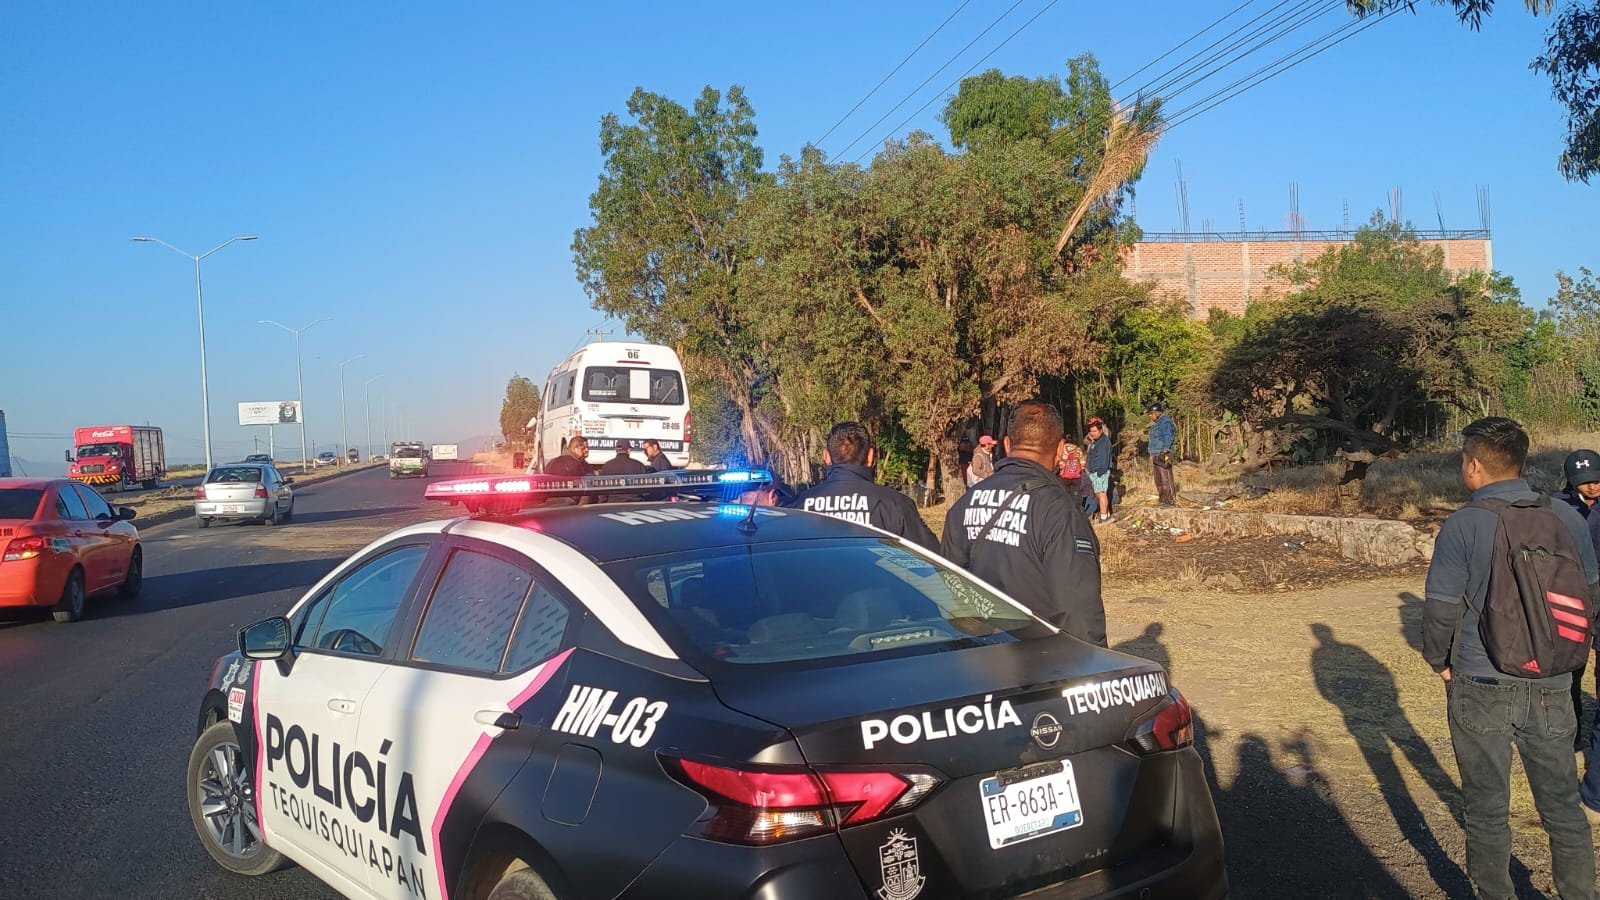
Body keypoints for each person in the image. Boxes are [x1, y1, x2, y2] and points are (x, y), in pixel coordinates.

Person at [1422, 417, 1597, 900]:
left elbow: (1440, 609)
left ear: (1474, 465)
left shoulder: (1462, 524)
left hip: (1480, 681)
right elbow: (1591, 596)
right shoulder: (1565, 518)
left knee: (1486, 807)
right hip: (1553, 684)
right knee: (1562, 806)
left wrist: (1439, 662)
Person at [941, 400, 1106, 646]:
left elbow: (948, 587)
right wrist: (1095, 669)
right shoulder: (1059, 510)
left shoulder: (965, 503)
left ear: (1007, 444)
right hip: (1039, 665)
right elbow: (1077, 610)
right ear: (1060, 449)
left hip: (976, 659)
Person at [784, 422, 937, 551]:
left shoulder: (795, 508)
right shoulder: (896, 505)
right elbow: (935, 562)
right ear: (870, 457)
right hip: (881, 586)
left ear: (826, 457)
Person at [1556, 449, 1600, 748]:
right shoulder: (1558, 507)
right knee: (1572, 668)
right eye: (1585, 481)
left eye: (1597, 479)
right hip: (1572, 595)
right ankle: (1572, 733)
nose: (1593, 486)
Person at [1145, 402, 1176, 506]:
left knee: (1165, 477)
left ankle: (1169, 499)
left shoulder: (1165, 422)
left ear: (1157, 413)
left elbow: (1168, 436)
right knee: (1158, 479)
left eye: (1151, 413)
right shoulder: (1157, 423)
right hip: (1155, 453)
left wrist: (1165, 451)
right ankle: (1162, 498)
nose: (1150, 416)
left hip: (1163, 452)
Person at [1085, 417, 1114, 524]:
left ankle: (1104, 517)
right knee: (1098, 493)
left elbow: (1104, 458)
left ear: (1101, 430)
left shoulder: (1104, 443)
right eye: (1091, 431)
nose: (1092, 433)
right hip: (1093, 472)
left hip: (1099, 472)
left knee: (1102, 493)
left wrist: (1100, 472)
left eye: (1095, 431)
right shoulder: (1095, 442)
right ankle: (1106, 513)